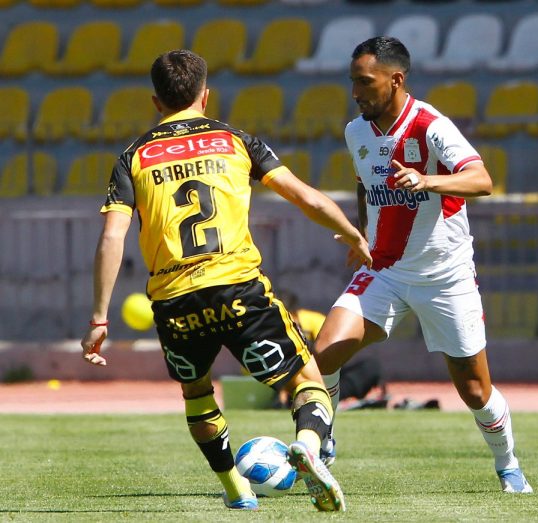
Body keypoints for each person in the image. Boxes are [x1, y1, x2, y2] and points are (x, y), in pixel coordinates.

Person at [79, 50, 372, 512]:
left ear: (156, 102)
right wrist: (352, 231)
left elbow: (111, 235)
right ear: (205, 94)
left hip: (174, 300)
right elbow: (302, 195)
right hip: (237, 287)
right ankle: (311, 451)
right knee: (305, 378)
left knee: (196, 393)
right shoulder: (235, 140)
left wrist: (98, 316)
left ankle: (236, 489)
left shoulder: (133, 157)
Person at [312, 36, 533, 494]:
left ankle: (508, 464)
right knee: (324, 351)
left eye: (364, 82)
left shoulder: (431, 124)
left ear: (396, 79)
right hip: (385, 269)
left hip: (444, 276)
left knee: (475, 392)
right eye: (352, 81)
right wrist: (362, 234)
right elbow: (363, 184)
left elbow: (483, 179)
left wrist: (428, 179)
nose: (355, 91)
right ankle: (323, 439)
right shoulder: (357, 131)